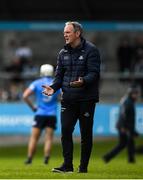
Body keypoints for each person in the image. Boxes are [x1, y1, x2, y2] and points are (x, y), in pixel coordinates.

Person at [42, 21, 101, 173]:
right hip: (68, 98)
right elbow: (59, 76)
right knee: (66, 131)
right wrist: (53, 88)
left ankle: (83, 168)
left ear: (77, 33)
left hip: (86, 98)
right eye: (64, 33)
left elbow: (94, 73)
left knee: (85, 134)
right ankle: (67, 165)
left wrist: (83, 81)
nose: (65, 35)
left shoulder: (91, 50)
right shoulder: (62, 53)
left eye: (68, 32)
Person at [23, 64, 60, 165]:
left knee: (34, 138)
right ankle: (46, 158)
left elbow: (25, 95)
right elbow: (62, 97)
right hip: (52, 114)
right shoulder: (56, 84)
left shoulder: (36, 83)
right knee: (48, 138)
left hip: (39, 113)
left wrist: (33, 107)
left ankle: (30, 159)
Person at [103, 87, 139, 164]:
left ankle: (131, 159)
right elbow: (124, 115)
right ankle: (107, 157)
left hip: (125, 126)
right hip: (124, 127)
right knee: (123, 144)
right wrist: (123, 127)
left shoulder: (128, 101)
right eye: (135, 94)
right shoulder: (128, 102)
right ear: (131, 94)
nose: (136, 95)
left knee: (129, 142)